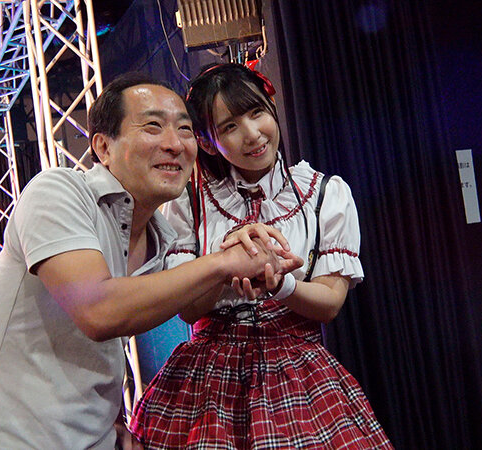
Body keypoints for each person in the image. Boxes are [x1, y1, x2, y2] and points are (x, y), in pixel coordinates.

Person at [0, 72, 301, 449]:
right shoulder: (58, 192)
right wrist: (222, 263)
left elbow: (111, 339)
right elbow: (100, 312)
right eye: (153, 126)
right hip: (7, 439)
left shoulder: (161, 237)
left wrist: (111, 420)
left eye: (184, 129)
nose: (174, 144)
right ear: (103, 147)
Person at [130, 63, 393, 449]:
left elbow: (330, 303)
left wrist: (281, 284)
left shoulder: (324, 194)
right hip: (208, 379)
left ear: (272, 108)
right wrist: (225, 265)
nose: (253, 134)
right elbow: (188, 310)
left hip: (299, 373)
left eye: (257, 113)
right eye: (230, 126)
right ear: (208, 143)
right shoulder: (189, 201)